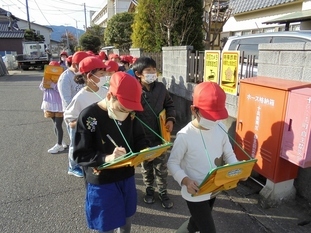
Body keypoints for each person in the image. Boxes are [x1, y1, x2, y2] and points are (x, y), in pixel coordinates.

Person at [73, 71, 148, 233]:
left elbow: (140, 139)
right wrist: (107, 158)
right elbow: (80, 154)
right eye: (122, 108)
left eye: (129, 110)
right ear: (109, 96)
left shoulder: (131, 114)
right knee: (106, 224)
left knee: (126, 219)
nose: (125, 113)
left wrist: (147, 152)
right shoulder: (89, 117)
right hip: (102, 181)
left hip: (126, 176)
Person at [167, 82, 239, 233]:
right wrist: (185, 180)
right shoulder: (185, 136)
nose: (214, 120)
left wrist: (238, 169)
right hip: (194, 191)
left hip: (214, 187)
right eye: (209, 116)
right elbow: (172, 163)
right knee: (207, 228)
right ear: (194, 110)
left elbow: (229, 154)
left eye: (216, 116)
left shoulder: (220, 127)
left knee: (195, 222)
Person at [132, 56, 176, 209]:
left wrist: (170, 119)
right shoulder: (133, 89)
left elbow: (169, 104)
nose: (152, 73)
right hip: (142, 136)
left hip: (160, 135)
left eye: (154, 70)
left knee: (161, 167)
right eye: (148, 71)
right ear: (138, 74)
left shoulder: (161, 88)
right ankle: (149, 189)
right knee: (146, 166)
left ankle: (163, 191)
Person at [58, 51, 89, 178]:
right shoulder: (65, 77)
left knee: (85, 141)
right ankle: (73, 166)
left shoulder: (82, 74)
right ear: (76, 65)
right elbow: (67, 101)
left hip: (85, 113)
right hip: (73, 116)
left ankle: (84, 162)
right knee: (75, 142)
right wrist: (78, 115)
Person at [64, 56, 108, 130]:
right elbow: (71, 122)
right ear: (90, 76)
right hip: (92, 138)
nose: (104, 77)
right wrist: (87, 121)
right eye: (101, 74)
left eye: (104, 74)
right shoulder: (80, 98)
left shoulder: (107, 92)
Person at [39, 61, 67, 153]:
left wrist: (52, 84)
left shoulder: (62, 78)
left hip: (58, 103)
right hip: (49, 102)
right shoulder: (46, 77)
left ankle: (59, 145)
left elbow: (61, 90)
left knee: (58, 124)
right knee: (55, 124)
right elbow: (42, 88)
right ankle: (61, 142)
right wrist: (45, 83)